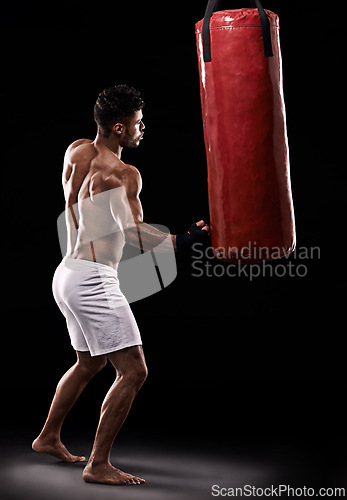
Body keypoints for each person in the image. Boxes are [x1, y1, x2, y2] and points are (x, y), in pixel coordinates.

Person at [32, 84, 210, 485]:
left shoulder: (77, 150)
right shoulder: (124, 173)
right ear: (118, 127)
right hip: (94, 280)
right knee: (133, 371)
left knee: (90, 361)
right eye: (136, 123)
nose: (142, 128)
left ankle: (47, 437)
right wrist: (185, 240)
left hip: (67, 273)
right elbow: (133, 234)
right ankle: (98, 465)